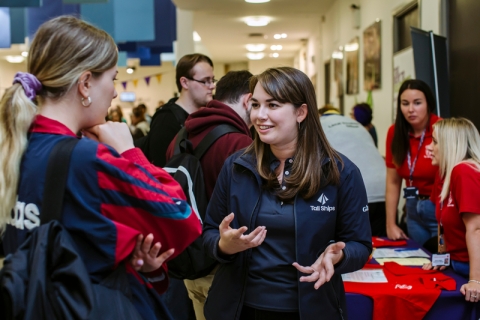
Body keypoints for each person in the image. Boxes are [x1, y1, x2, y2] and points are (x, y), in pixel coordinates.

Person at [0, 16, 201, 320]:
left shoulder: (13, 145)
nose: (115, 92)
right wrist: (129, 151)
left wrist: (132, 260)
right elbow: (182, 217)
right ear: (85, 84)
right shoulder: (86, 159)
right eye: (113, 79)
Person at [203, 67, 372, 320]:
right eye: (256, 104)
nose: (260, 115)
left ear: (301, 112)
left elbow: (360, 244)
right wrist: (223, 245)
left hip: (311, 308)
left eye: (272, 105)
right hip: (240, 307)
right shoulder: (236, 166)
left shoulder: (339, 173)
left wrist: (339, 255)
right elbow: (208, 233)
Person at [166, 70, 254, 320]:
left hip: (190, 261)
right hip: (225, 267)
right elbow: (248, 210)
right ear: (248, 101)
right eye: (258, 104)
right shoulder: (238, 143)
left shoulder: (180, 135)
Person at [423, 118, 480, 303]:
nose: (429, 147)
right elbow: (444, 225)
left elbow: (476, 229)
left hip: (470, 268)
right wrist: (442, 258)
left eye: (435, 142)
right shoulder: (446, 173)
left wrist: (475, 281)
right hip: (457, 265)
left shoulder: (464, 171)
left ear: (451, 144)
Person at [385, 79, 440, 245]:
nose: (410, 110)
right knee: (418, 260)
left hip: (437, 207)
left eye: (417, 103)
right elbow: (393, 182)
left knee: (440, 262)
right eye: (405, 103)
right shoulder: (394, 132)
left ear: (428, 104)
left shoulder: (441, 129)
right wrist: (391, 224)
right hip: (412, 206)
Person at [319, 106, 387, 236]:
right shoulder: (357, 125)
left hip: (357, 191)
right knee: (378, 246)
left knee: (351, 243)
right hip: (383, 190)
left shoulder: (319, 124)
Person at [142, 53, 215, 167]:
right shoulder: (166, 121)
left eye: (212, 80)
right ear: (184, 82)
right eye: (205, 81)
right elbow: (162, 170)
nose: (212, 86)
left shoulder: (206, 117)